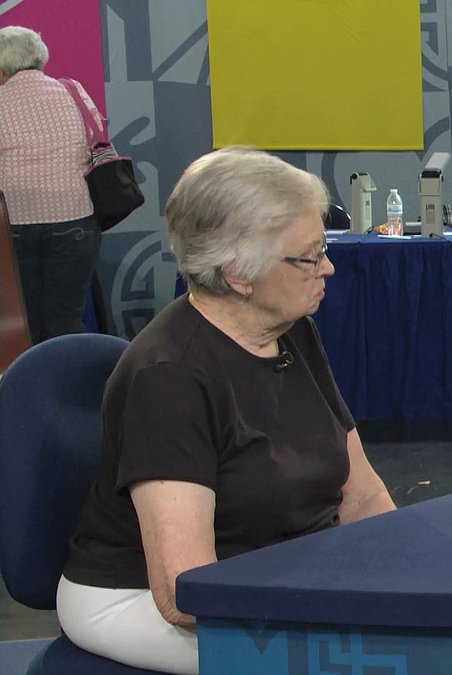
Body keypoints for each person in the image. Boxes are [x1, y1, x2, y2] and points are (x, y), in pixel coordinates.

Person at [57, 148, 397, 674]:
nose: (327, 266)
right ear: (239, 273)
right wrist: (328, 614)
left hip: (276, 569)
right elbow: (184, 593)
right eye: (309, 255)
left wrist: (414, 579)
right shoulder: (168, 377)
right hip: (139, 599)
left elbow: (363, 494)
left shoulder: (290, 329)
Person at [0, 26, 104, 343]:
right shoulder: (71, 90)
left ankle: (27, 388)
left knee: (22, 324)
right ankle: (69, 386)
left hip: (14, 223)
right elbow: (96, 137)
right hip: (74, 218)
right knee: (67, 320)